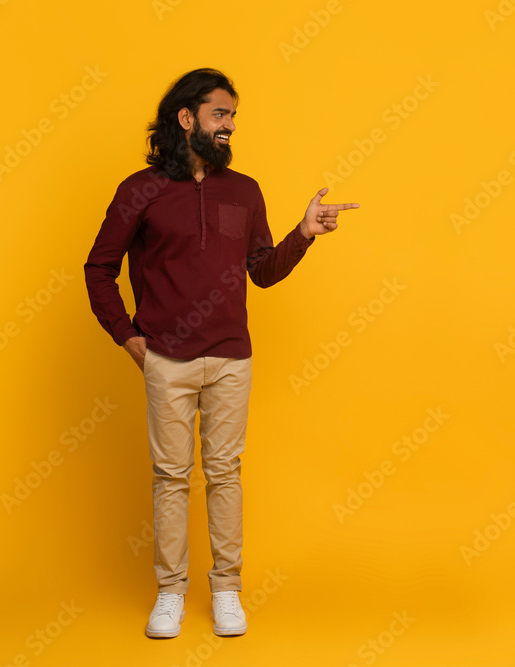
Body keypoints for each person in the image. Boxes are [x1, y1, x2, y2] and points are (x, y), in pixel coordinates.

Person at [83, 68, 359, 639]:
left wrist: (303, 234)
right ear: (187, 118)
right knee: (170, 477)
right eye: (220, 114)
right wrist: (128, 337)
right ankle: (170, 593)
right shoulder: (139, 189)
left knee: (225, 474)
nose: (230, 125)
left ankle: (226, 589)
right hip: (166, 358)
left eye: (233, 116)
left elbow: (262, 272)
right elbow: (98, 268)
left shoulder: (245, 190)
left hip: (232, 358)